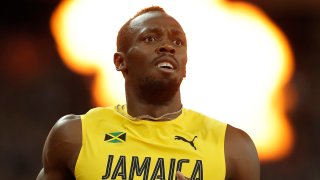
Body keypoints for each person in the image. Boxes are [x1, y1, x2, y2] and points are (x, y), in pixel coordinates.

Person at [37, 6, 260, 180]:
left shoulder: (232, 146)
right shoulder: (74, 135)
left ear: (185, 65)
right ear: (120, 61)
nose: (168, 47)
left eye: (177, 42)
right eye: (150, 38)